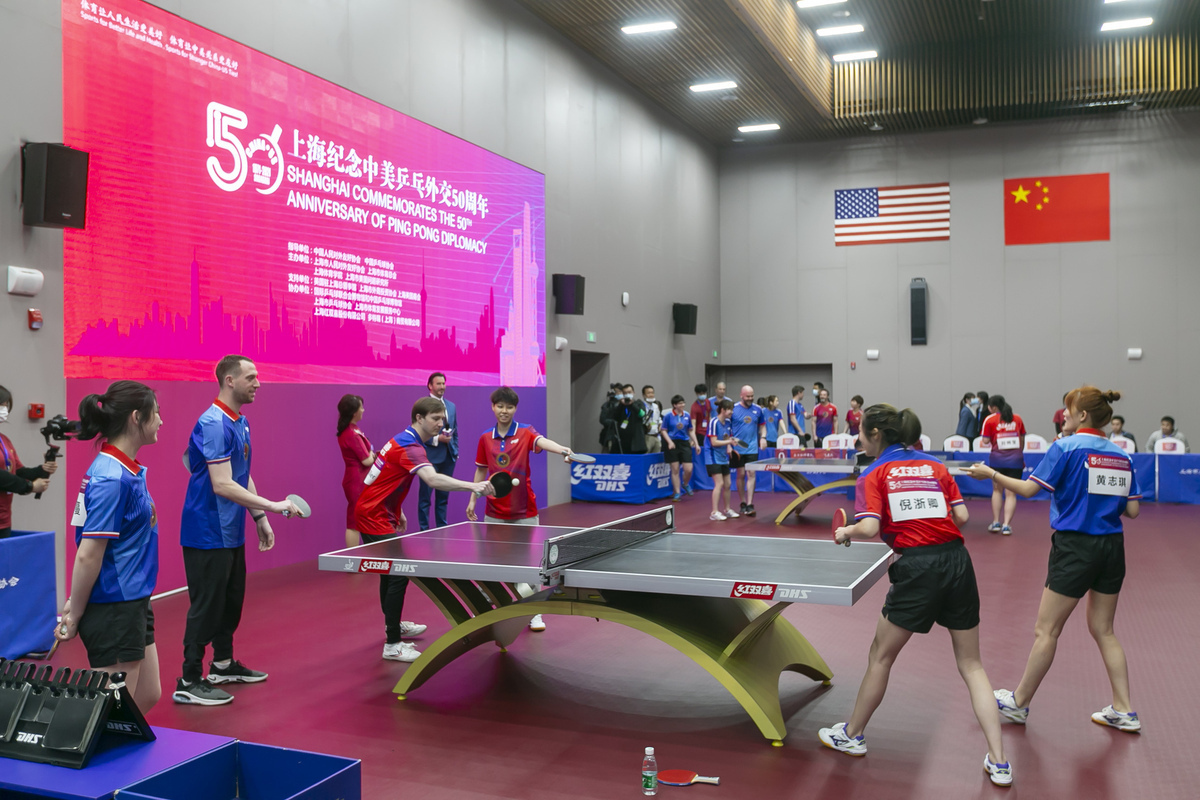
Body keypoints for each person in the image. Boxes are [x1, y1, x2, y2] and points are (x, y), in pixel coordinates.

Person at [820, 404, 1011, 787]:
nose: (857, 438)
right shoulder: (936, 467)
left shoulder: (874, 472)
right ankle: (1000, 760)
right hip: (957, 562)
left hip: (917, 568)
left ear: (877, 435)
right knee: (972, 665)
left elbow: (871, 527)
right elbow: (962, 519)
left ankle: (852, 735)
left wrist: (845, 533)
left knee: (881, 655)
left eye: (860, 431)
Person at [965, 387, 1142, 736]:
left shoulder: (1065, 447)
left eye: (1067, 409)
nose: (1063, 414)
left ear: (1082, 416)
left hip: (1076, 548)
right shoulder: (1122, 456)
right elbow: (1133, 509)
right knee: (1104, 630)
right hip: (1112, 547)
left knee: (1046, 630)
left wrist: (991, 475)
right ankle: (1124, 709)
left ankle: (1018, 702)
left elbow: (1031, 490)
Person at [174, 356, 302, 706]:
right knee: (206, 606)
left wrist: (259, 516)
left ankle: (223, 664)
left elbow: (240, 474)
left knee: (231, 602)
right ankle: (188, 678)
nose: (258, 383)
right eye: (251, 377)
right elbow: (221, 484)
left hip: (231, 530)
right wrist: (274, 505)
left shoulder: (240, 421)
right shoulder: (214, 423)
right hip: (206, 530)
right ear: (229, 381)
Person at [357, 397, 494, 662]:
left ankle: (393, 626)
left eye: (443, 419)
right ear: (419, 418)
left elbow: (380, 478)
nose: (441, 424)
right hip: (372, 517)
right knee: (397, 573)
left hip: (378, 512)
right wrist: (473, 486)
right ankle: (393, 644)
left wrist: (398, 510)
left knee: (389, 573)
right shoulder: (410, 446)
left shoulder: (401, 439)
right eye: (436, 419)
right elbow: (432, 479)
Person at [55, 381, 163, 714]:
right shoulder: (110, 478)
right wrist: (74, 612)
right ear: (136, 418)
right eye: (156, 413)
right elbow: (89, 553)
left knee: (147, 695)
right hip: (114, 603)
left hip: (133, 597)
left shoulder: (126, 469)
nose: (160, 420)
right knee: (110, 712)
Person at [466, 386, 573, 632]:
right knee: (491, 561)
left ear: (515, 409)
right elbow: (481, 470)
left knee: (530, 563)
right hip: (494, 511)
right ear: (493, 407)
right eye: (500, 406)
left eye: (509, 407)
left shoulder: (524, 432)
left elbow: (541, 441)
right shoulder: (485, 438)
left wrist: (563, 450)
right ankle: (486, 606)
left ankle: (533, 611)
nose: (504, 411)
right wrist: (473, 498)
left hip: (525, 510)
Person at [0, 385, 56, 538]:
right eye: (1, 405)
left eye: (5, 406)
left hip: (4, 520)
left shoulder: (4, 440)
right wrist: (30, 487)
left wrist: (42, 469)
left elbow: (18, 471)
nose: (4, 410)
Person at [980, 394, 1025, 535]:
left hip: (997, 461)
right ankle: (1006, 525)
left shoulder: (990, 419)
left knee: (997, 491)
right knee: (1011, 494)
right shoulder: (1017, 418)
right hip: (1015, 461)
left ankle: (996, 523)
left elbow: (985, 441)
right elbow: (1022, 439)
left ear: (993, 407)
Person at [418, 372, 458, 530]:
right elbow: (418, 431)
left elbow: (456, 430)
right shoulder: (422, 406)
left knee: (443, 497)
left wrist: (456, 450)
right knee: (425, 498)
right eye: (438, 384)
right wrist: (436, 440)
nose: (442, 387)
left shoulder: (451, 406)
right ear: (430, 386)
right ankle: (424, 530)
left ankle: (442, 529)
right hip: (429, 457)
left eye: (443, 383)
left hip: (448, 457)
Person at [337, 395, 374, 549]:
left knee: (359, 518)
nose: (363, 410)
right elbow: (367, 460)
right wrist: (372, 454)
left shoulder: (354, 429)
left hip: (360, 479)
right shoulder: (351, 434)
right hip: (356, 481)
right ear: (354, 412)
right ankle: (351, 558)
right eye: (361, 407)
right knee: (353, 521)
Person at [731, 385, 766, 517]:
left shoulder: (758, 409)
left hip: (752, 448)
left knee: (751, 474)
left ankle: (750, 504)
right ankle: (743, 502)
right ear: (741, 395)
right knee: (740, 475)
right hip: (738, 449)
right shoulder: (734, 409)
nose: (750, 398)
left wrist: (763, 437)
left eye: (752, 396)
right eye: (748, 396)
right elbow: (727, 428)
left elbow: (763, 426)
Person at [660, 395, 699, 501]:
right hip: (672, 443)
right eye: (680, 403)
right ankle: (677, 493)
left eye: (683, 403)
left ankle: (685, 484)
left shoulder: (687, 415)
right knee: (675, 469)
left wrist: (696, 443)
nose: (682, 405)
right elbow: (663, 430)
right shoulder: (668, 416)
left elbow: (690, 430)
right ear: (675, 405)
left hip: (684, 443)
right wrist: (669, 442)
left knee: (688, 469)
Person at [703, 400, 736, 521]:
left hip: (723, 457)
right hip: (712, 457)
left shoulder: (728, 422)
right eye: (730, 409)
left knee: (728, 484)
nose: (732, 412)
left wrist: (729, 447)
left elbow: (727, 437)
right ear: (723, 410)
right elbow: (714, 442)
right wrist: (729, 442)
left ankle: (727, 510)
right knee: (720, 483)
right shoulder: (713, 422)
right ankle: (714, 512)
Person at [601, 385, 647, 454]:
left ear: (633, 393)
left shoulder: (639, 403)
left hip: (636, 442)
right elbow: (615, 417)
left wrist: (633, 404)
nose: (627, 394)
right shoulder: (621, 405)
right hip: (622, 441)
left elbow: (642, 414)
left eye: (629, 392)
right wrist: (621, 404)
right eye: (625, 393)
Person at [642, 385, 663, 454]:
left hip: (656, 435)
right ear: (644, 395)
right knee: (646, 454)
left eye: (652, 393)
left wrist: (660, 425)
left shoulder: (655, 406)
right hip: (647, 436)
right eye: (648, 393)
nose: (651, 395)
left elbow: (658, 418)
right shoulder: (641, 406)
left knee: (656, 457)